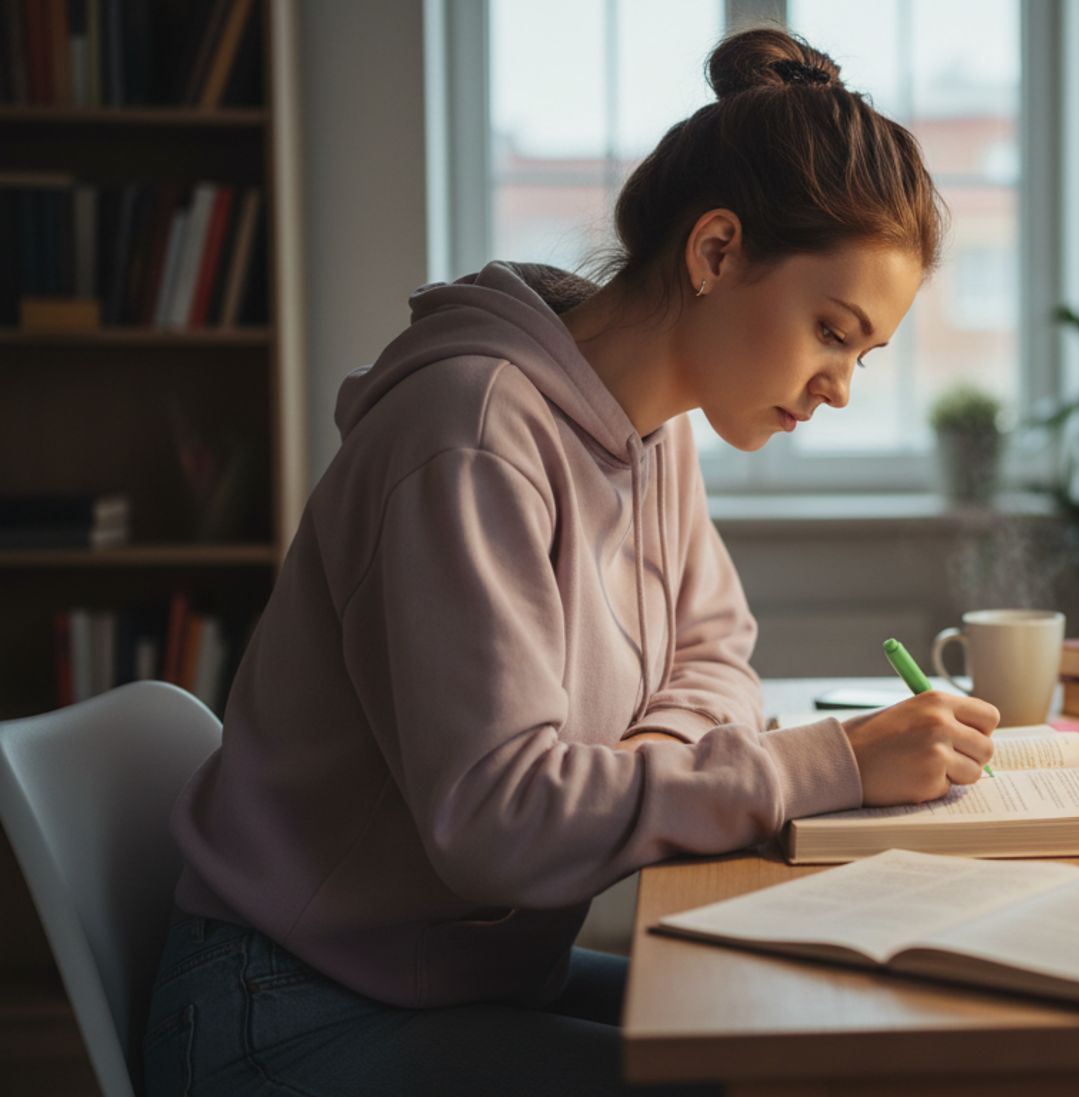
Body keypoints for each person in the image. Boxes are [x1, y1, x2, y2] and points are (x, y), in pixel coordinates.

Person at [142, 27, 998, 1096]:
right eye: (832, 329)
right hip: (287, 1008)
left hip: (463, 975)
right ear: (717, 250)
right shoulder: (469, 434)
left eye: (862, 353)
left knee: (824, 1031)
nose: (839, 386)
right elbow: (501, 824)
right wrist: (829, 763)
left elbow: (719, 652)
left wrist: (637, 755)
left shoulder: (656, 428)